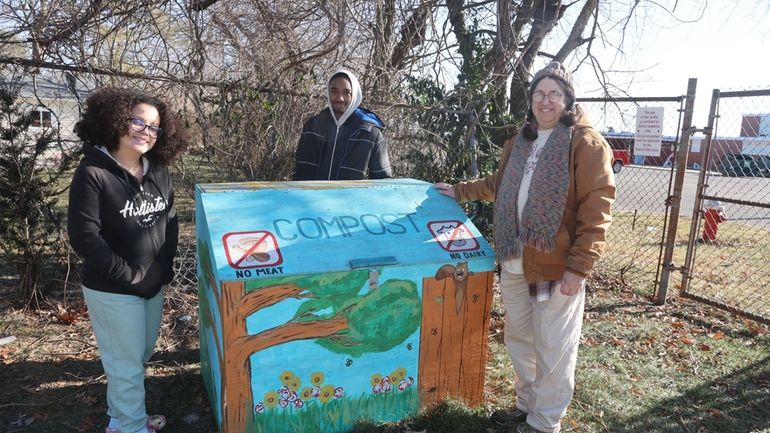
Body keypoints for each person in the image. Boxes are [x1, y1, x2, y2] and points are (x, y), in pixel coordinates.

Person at [435, 62, 615, 433]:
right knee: (520, 339)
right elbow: (498, 184)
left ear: (567, 100)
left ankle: (545, 422)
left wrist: (578, 268)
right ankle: (527, 405)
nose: (545, 101)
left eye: (554, 94)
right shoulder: (522, 142)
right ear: (531, 100)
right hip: (515, 259)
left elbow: (597, 211)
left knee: (553, 346)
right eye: (538, 94)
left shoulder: (585, 144)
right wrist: (458, 192)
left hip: (555, 264)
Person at [67, 87, 188, 433]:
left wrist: (162, 267)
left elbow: (172, 221)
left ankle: (120, 417)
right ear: (117, 120)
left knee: (139, 355)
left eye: (154, 127)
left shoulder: (158, 173)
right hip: (111, 288)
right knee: (126, 363)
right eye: (138, 121)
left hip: (152, 284)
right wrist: (129, 275)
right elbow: (85, 237)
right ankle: (133, 427)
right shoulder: (93, 173)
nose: (146, 132)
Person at [293, 68, 392, 180]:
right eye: (334, 91)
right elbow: (298, 169)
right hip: (311, 197)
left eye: (346, 93)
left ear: (354, 95)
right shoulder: (311, 126)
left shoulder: (370, 133)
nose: (340, 98)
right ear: (328, 92)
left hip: (349, 197)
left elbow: (382, 180)